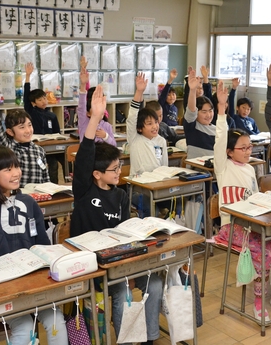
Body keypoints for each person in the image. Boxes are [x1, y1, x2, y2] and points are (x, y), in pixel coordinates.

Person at [0, 91, 69, 345]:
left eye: (16, 167)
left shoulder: (27, 201)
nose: (15, 173)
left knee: (56, 323)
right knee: (24, 329)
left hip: (32, 276)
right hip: (2, 279)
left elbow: (40, 241)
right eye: (7, 169)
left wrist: (52, 265)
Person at [71, 85, 162, 345]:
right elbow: (85, 155)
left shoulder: (121, 195)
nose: (119, 172)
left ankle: (150, 338)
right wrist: (95, 119)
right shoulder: (83, 189)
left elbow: (124, 231)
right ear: (96, 173)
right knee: (122, 291)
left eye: (119, 166)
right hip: (93, 263)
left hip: (119, 258)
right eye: (114, 169)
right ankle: (125, 341)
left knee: (154, 284)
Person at [212, 80, 271, 322]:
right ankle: (259, 301)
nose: (248, 151)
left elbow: (254, 197)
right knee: (262, 251)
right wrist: (221, 109)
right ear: (229, 152)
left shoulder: (250, 169)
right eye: (243, 148)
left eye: (250, 147)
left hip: (254, 221)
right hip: (232, 227)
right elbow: (220, 139)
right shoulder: (223, 166)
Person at [0, 69, 50, 187]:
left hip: (38, 197)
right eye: (22, 127)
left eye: (29, 125)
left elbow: (45, 178)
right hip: (17, 196)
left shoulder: (38, 150)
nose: (28, 130)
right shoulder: (8, 148)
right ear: (10, 132)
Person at [23, 62, 62, 183]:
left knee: (55, 164)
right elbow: (26, 96)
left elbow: (57, 133)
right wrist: (28, 76)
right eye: (40, 100)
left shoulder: (52, 115)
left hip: (50, 147)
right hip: (37, 148)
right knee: (42, 166)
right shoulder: (31, 111)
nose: (44, 101)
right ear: (33, 103)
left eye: (44, 98)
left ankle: (55, 185)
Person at [127, 72, 168, 176]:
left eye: (156, 122)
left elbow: (164, 166)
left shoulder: (161, 141)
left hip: (157, 182)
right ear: (140, 128)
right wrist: (139, 91)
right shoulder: (135, 139)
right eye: (149, 123)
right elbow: (132, 117)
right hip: (138, 185)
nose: (155, 126)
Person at [77, 59, 116, 146]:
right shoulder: (84, 122)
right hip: (88, 158)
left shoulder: (107, 126)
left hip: (103, 158)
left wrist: (105, 136)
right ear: (88, 113)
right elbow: (81, 105)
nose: (99, 113)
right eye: (95, 111)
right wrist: (83, 85)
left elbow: (114, 145)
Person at [183, 66, 216, 159]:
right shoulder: (192, 127)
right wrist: (192, 90)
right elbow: (191, 110)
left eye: (210, 111)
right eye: (204, 112)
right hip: (197, 170)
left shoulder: (218, 129)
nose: (208, 115)